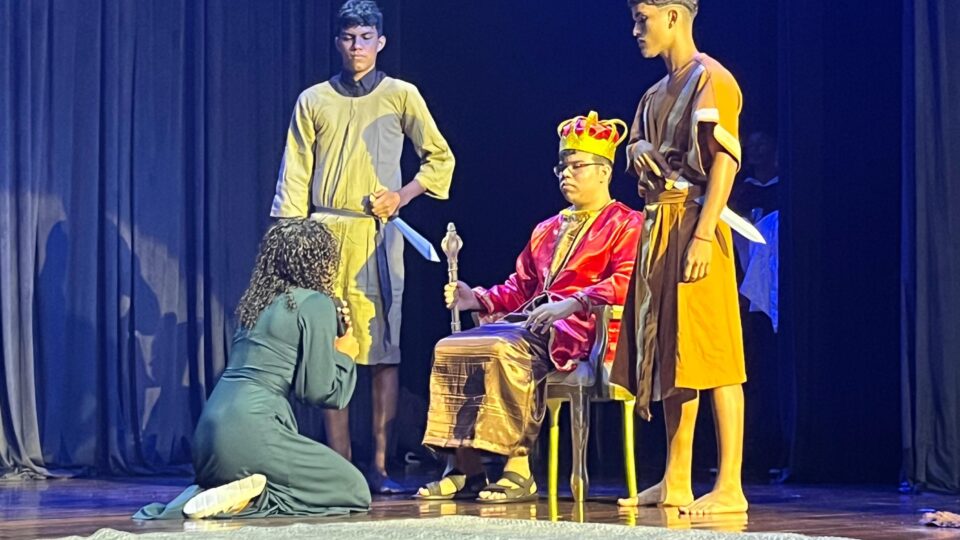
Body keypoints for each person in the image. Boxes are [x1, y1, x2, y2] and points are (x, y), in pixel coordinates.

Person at [269, 0, 455, 493]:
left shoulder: (401, 95)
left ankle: (379, 465)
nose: (357, 47)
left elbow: (439, 158)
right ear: (338, 42)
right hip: (326, 234)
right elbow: (294, 178)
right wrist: (292, 243)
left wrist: (401, 195)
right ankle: (341, 466)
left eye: (366, 38)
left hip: (378, 236)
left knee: (383, 350)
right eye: (349, 38)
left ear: (381, 42)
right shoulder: (313, 100)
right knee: (333, 349)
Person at [417, 112, 642, 503]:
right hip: (533, 322)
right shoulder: (546, 228)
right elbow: (520, 285)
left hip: (581, 329)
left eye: (576, 166)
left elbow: (627, 280)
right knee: (452, 346)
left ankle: (519, 468)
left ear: (604, 172)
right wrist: (478, 298)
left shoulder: (626, 224)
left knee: (506, 349)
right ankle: (466, 468)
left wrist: (572, 303)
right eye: (561, 167)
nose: (565, 174)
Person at [610, 0, 750, 515]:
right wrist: (637, 151)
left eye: (642, 20)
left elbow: (722, 166)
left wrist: (702, 236)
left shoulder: (712, 80)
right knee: (674, 352)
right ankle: (676, 478)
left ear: (673, 16)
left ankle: (730, 484)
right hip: (659, 225)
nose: (635, 30)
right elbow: (652, 159)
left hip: (695, 222)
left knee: (714, 353)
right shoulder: (651, 95)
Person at [134, 219, 370, 519]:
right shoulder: (314, 302)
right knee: (354, 489)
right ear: (318, 262)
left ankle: (225, 491)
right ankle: (250, 499)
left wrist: (328, 336)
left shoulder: (256, 304)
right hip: (251, 433)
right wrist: (346, 355)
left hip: (208, 437)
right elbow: (321, 392)